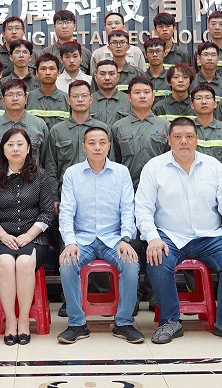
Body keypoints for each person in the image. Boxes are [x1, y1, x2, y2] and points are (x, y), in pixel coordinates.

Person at [136, 118, 222, 345]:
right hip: (169, 235)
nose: (184, 141)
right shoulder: (154, 167)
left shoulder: (213, 166)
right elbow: (142, 209)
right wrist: (153, 238)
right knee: (157, 260)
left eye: (189, 136)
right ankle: (170, 321)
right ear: (169, 140)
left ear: (197, 139)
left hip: (209, 236)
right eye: (177, 137)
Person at [57, 127, 144, 344]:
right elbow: (66, 212)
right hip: (82, 239)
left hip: (113, 238)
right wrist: (70, 242)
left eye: (102, 142)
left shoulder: (121, 172)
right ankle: (77, 323)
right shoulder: (72, 174)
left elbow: (128, 209)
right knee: (67, 264)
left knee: (131, 263)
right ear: (83, 146)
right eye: (92, 143)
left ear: (109, 146)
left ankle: (124, 322)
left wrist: (126, 239)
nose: (97, 147)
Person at [0, 128, 55, 345]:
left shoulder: (40, 176)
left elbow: (47, 212)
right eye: (10, 144)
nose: (15, 149)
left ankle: (23, 320)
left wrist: (29, 235)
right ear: (3, 149)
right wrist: (3, 235)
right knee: (4, 262)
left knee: (24, 263)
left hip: (34, 239)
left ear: (28, 148)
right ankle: (10, 322)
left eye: (20, 144)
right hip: (1, 238)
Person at [46, 79, 111, 202]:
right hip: (66, 194)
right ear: (68, 100)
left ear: (91, 99)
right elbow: (51, 167)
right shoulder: (57, 131)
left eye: (84, 96)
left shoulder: (103, 129)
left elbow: (111, 164)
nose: (80, 100)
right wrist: (54, 198)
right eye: (75, 96)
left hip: (99, 193)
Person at [110, 77, 170, 190]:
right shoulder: (118, 127)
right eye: (137, 93)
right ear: (129, 97)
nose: (142, 96)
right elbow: (115, 160)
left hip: (159, 187)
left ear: (153, 97)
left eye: (146, 92)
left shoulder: (165, 126)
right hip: (127, 188)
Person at [0, 79, 49, 167]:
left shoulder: (39, 125)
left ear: (25, 98)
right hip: (1, 175)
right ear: (3, 100)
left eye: (19, 94)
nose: (15, 98)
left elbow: (46, 160)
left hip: (32, 175)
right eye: (10, 95)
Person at [190, 84, 222, 180]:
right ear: (192, 105)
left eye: (208, 98)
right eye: (199, 98)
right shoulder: (186, 129)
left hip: (221, 185)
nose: (204, 102)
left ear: (215, 104)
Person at [27, 53, 70, 129]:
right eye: (43, 69)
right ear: (37, 73)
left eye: (52, 69)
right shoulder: (28, 98)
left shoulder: (67, 99)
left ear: (59, 72)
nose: (47, 73)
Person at [89, 60, 131, 125]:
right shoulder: (87, 101)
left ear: (118, 77)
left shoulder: (129, 100)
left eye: (111, 74)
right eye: (102, 74)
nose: (107, 78)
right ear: (96, 77)